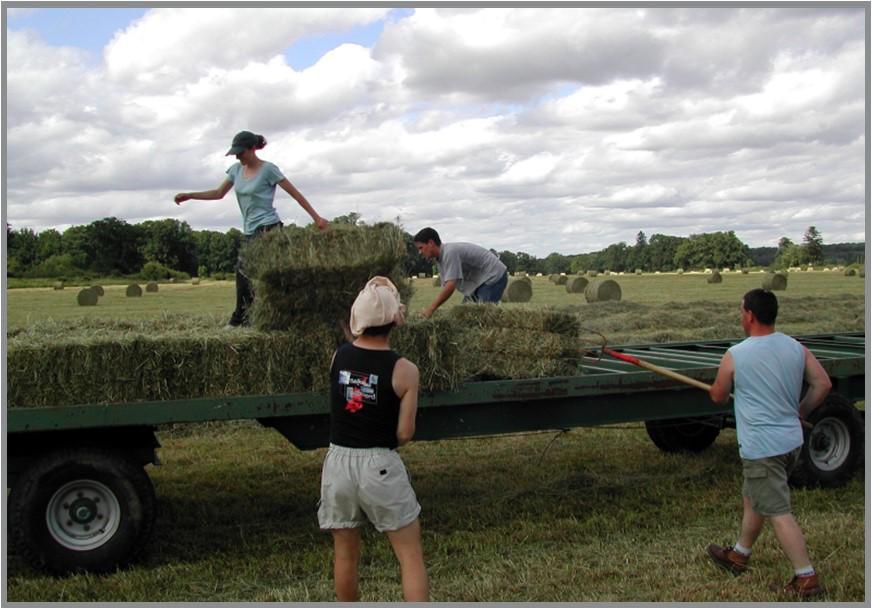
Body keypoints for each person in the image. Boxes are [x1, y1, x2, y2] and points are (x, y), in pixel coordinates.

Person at [706, 288, 831, 599]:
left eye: (740, 310)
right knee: (755, 496)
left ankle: (806, 577)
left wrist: (717, 387)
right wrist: (800, 411)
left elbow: (718, 396)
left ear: (749, 315)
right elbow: (823, 384)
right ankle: (739, 554)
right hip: (790, 441)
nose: (740, 315)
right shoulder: (794, 347)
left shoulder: (737, 354)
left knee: (777, 509)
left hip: (763, 446)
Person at [318, 276, 429, 602]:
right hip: (378, 464)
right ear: (397, 318)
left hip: (337, 463)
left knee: (345, 553)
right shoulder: (406, 370)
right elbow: (405, 433)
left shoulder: (338, 357)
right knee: (409, 556)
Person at [174, 130, 329, 327]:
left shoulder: (268, 170)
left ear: (252, 149)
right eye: (235, 153)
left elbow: (295, 194)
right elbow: (218, 193)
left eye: (240, 152)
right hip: (249, 231)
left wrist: (317, 218)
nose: (237, 156)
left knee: (243, 270)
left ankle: (239, 320)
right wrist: (190, 195)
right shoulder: (235, 170)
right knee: (252, 274)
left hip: (268, 229)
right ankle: (254, 317)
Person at [412, 227, 508, 318]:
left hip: (493, 276)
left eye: (421, 247)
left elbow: (450, 286)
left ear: (431, 243)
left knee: (481, 318)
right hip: (479, 282)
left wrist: (431, 309)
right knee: (464, 315)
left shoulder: (449, 253)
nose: (420, 252)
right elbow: (446, 286)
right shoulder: (440, 259)